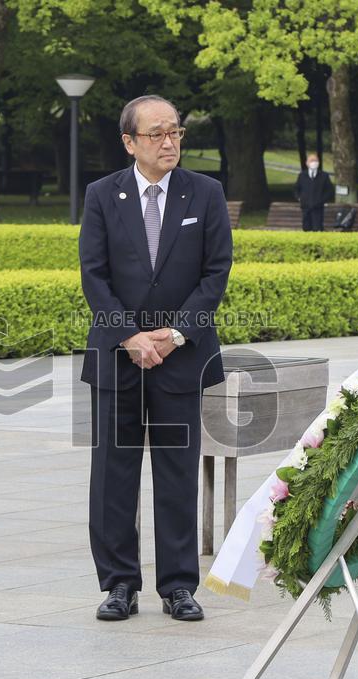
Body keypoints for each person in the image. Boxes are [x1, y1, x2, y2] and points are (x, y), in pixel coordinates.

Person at [79, 95, 233, 623]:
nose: (169, 142)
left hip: (180, 358)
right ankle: (119, 583)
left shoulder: (205, 193)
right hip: (118, 357)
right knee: (113, 476)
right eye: (156, 134)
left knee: (176, 473)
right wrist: (130, 336)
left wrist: (175, 334)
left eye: (176, 132)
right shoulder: (102, 195)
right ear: (130, 142)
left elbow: (216, 273)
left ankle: (177, 586)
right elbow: (93, 274)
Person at [293, 152, 333, 231]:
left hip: (318, 207)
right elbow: (296, 188)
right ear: (307, 163)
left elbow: (329, 190)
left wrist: (321, 200)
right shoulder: (302, 175)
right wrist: (299, 198)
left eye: (315, 161)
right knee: (306, 227)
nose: (314, 163)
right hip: (305, 206)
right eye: (311, 161)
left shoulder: (324, 176)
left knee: (317, 227)